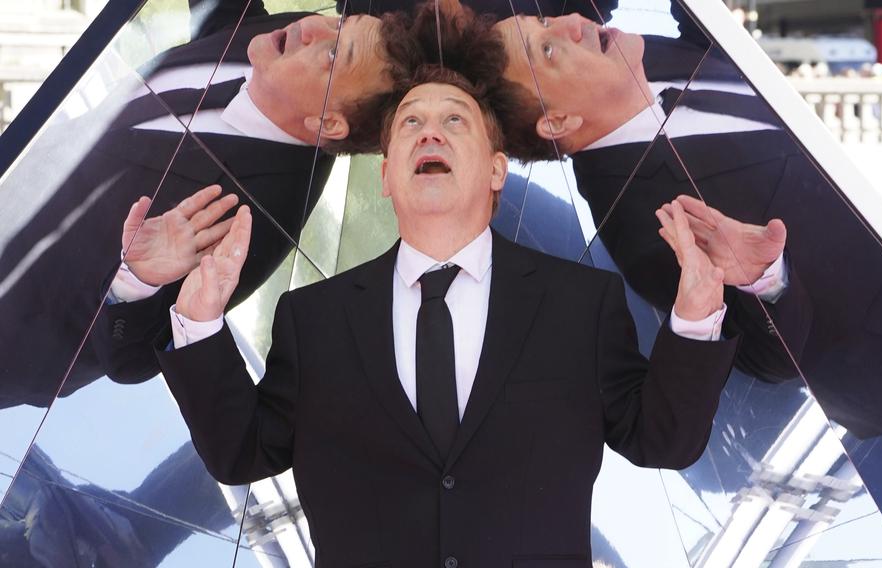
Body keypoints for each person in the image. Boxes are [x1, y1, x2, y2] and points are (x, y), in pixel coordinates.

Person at [154, 63, 739, 566]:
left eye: (454, 120)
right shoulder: (314, 318)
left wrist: (695, 318)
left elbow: (662, 440)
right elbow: (242, 452)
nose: (429, 132)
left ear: (496, 170)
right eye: (411, 122)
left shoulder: (581, 304)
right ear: (385, 176)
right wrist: (200, 322)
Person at [492, 9, 882, 438]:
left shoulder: (629, 57)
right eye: (547, 48)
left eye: (543, 21)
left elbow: (709, 35)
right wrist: (764, 278)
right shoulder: (643, 231)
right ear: (557, 121)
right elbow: (772, 359)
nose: (573, 22)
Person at [0, 0, 395, 409]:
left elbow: (133, 358)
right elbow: (223, 15)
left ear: (328, 123)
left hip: (14, 324)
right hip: (20, 166)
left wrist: (137, 282)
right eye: (340, 21)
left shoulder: (251, 219)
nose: (312, 28)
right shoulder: (277, 42)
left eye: (334, 54)